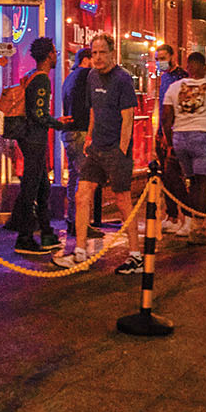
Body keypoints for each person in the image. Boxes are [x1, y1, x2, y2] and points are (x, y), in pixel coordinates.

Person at [54, 31, 143, 273]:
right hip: (96, 149)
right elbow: (93, 109)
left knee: (123, 201)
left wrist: (122, 151)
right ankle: (80, 252)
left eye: (103, 52)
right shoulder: (91, 76)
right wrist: (90, 137)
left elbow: (128, 118)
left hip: (116, 150)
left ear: (112, 53)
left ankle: (135, 256)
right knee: (82, 195)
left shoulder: (123, 79)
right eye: (94, 53)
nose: (98, 57)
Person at [160, 51, 206, 246]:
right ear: (205, 67)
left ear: (188, 67)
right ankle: (197, 229)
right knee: (203, 185)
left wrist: (170, 140)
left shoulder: (174, 87)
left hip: (180, 137)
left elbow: (166, 117)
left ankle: (188, 221)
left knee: (190, 182)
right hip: (204, 136)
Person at [12, 36, 71, 256]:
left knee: (42, 187)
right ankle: (25, 237)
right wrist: (58, 123)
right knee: (31, 188)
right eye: (54, 52)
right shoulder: (42, 80)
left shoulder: (29, 76)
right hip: (35, 140)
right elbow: (38, 114)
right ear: (48, 56)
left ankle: (46, 232)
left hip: (27, 138)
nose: (56, 56)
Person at [154, 42, 187, 228]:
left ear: (172, 57)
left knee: (176, 177)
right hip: (163, 132)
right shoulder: (164, 77)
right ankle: (172, 214)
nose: (160, 63)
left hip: (175, 132)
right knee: (166, 177)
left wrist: (170, 134)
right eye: (157, 60)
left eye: (163, 59)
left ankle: (185, 216)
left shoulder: (181, 77)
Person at [61, 48, 92, 237]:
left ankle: (72, 220)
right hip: (81, 132)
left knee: (74, 177)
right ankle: (81, 224)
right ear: (86, 59)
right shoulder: (86, 76)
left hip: (68, 133)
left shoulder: (68, 78)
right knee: (84, 179)